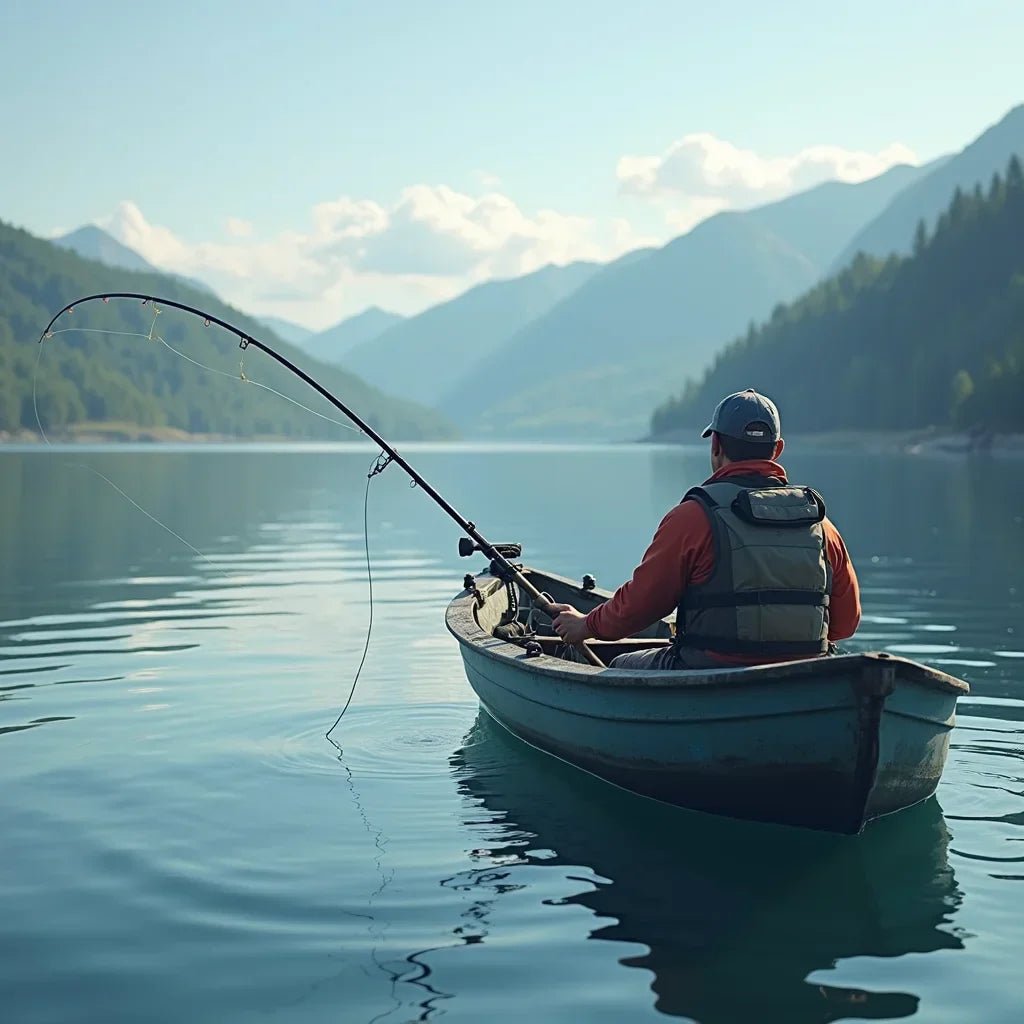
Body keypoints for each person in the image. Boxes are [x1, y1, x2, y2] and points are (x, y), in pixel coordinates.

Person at [551, 389, 861, 669]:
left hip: (708, 671)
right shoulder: (820, 525)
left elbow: (638, 607)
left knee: (620, 664)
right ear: (777, 449)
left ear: (715, 445)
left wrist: (587, 625)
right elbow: (845, 624)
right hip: (802, 676)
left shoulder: (694, 518)